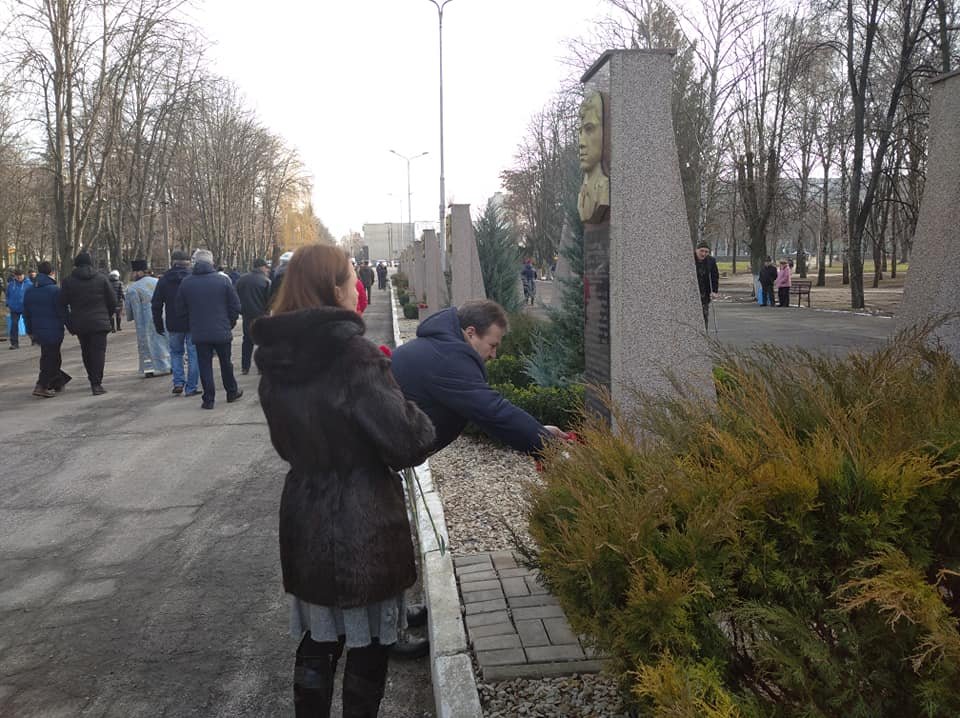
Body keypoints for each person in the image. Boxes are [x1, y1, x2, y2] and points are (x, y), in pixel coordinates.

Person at [251, 244, 435, 718]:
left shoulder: (274, 357)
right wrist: (405, 403)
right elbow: (408, 441)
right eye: (352, 277)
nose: (358, 286)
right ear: (334, 289)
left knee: (319, 639)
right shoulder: (355, 356)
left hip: (305, 512)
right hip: (364, 519)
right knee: (369, 643)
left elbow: (284, 444)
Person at [175, 249, 243, 410]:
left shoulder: (186, 283)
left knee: (204, 365)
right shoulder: (223, 281)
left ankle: (208, 399)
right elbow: (235, 306)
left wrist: (191, 325)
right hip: (222, 330)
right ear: (211, 262)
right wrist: (230, 323)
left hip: (199, 331)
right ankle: (231, 392)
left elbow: (180, 310)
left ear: (195, 263)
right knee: (226, 363)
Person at [59, 252, 117, 395]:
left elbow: (61, 305)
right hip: (100, 323)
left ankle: (92, 378)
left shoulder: (68, 282)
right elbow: (112, 300)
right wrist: (107, 315)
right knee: (98, 353)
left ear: (76, 264)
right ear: (91, 263)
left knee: (86, 351)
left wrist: (69, 323)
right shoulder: (101, 278)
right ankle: (96, 383)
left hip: (80, 323)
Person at [152, 250, 200, 396]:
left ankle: (178, 382)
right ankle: (191, 387)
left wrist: (158, 324)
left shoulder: (164, 279)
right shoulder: (194, 278)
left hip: (173, 322)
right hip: (193, 322)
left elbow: (156, 304)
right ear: (189, 262)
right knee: (193, 354)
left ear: (173, 262)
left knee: (176, 353)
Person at [23, 261, 71, 397]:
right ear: (52, 273)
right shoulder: (55, 290)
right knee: (51, 358)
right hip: (54, 330)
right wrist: (71, 326)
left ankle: (57, 382)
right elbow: (62, 311)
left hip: (38, 330)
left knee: (50, 356)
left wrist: (29, 331)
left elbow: (26, 313)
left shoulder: (29, 291)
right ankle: (42, 385)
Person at [126, 260, 171, 378]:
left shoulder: (133, 288)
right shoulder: (158, 282)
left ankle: (149, 368)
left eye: (134, 272)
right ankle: (169, 364)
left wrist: (131, 318)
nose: (133, 274)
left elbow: (134, 309)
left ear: (139, 272)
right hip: (162, 315)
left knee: (147, 343)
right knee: (165, 340)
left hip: (145, 320)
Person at [235, 258, 271, 375]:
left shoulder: (242, 280)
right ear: (262, 267)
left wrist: (241, 310)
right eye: (266, 267)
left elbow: (236, 297)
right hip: (262, 316)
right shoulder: (266, 281)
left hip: (247, 315)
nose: (267, 270)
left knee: (247, 341)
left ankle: (245, 367)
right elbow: (269, 300)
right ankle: (261, 367)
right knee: (262, 342)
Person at [694, 241, 719, 330]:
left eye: (706, 252)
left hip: (704, 293)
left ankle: (704, 333)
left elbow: (714, 276)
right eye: (701, 251)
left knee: (704, 315)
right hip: (692, 291)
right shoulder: (690, 259)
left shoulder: (711, 261)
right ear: (696, 250)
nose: (703, 254)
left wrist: (714, 291)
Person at [5, 269, 32, 350]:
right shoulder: (11, 284)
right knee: (14, 325)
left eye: (20, 275)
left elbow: (33, 295)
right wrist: (8, 303)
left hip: (25, 307)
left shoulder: (29, 284)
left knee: (28, 324)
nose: (19, 277)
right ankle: (14, 343)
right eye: (17, 276)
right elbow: (7, 295)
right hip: (14, 308)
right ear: (15, 276)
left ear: (23, 275)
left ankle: (34, 338)